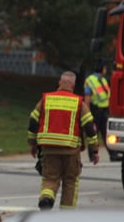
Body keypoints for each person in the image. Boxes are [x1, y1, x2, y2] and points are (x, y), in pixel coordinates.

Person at [28, 70, 99, 210]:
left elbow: (33, 121)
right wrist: (94, 150)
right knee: (70, 181)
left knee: (49, 178)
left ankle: (46, 199)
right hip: (71, 151)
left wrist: (33, 144)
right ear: (73, 85)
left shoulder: (46, 99)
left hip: (49, 149)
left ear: (60, 83)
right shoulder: (79, 103)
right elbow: (90, 128)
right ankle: (66, 214)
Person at [83, 61, 119, 161]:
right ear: (101, 68)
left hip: (104, 111)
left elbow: (107, 95)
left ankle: (113, 154)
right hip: (95, 111)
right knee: (93, 133)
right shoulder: (90, 80)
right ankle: (92, 155)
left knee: (107, 133)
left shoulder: (103, 80)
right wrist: (88, 113)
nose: (106, 70)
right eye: (105, 68)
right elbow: (87, 97)